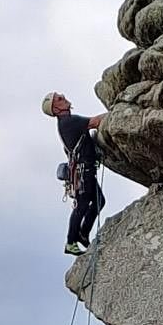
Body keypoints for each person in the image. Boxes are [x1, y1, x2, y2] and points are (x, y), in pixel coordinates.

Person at [42, 92, 105, 255]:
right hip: (84, 172)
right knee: (82, 206)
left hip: (83, 171)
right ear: (56, 109)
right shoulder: (69, 122)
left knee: (99, 201)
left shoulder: (66, 123)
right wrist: (114, 113)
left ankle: (83, 234)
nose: (64, 97)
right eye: (59, 99)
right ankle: (71, 242)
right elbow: (95, 122)